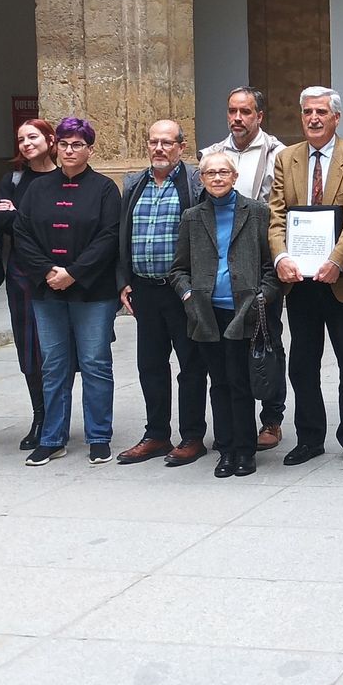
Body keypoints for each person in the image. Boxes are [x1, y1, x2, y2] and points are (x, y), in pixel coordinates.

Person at [268, 86, 343, 468]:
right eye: (307, 112)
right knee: (302, 363)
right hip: (300, 281)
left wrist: (336, 261)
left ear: (336, 117)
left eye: (321, 112)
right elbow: (277, 213)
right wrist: (281, 255)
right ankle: (310, 438)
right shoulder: (286, 158)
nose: (313, 119)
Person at [13, 117, 122, 467]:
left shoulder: (105, 189)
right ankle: (52, 437)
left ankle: (99, 436)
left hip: (92, 292)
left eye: (77, 144)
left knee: (94, 363)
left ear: (90, 149)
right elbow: (22, 233)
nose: (69, 150)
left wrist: (74, 273)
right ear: (55, 147)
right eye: (64, 144)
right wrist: (48, 272)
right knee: (54, 365)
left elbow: (108, 237)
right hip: (47, 292)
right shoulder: (38, 189)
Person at [170, 152, 281, 479]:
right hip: (206, 313)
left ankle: (245, 451)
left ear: (234, 177)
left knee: (241, 382)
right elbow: (178, 269)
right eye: (210, 174)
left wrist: (262, 296)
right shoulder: (192, 216)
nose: (217, 178)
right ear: (201, 179)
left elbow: (270, 268)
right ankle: (226, 448)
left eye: (223, 172)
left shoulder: (258, 212)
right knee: (218, 383)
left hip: (244, 312)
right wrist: (189, 295)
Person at [116, 120, 208, 467]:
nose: (159, 148)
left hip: (181, 292)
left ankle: (192, 436)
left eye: (167, 142)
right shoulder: (134, 184)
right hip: (144, 290)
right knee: (150, 365)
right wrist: (123, 280)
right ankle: (156, 434)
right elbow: (121, 234)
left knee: (191, 366)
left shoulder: (193, 184)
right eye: (153, 142)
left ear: (181, 147)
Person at [201, 86, 286, 446]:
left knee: (266, 340)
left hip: (260, 260)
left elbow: (282, 207)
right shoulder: (211, 155)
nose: (237, 118)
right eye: (233, 111)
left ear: (259, 116)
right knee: (227, 355)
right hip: (222, 266)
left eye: (246, 112)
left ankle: (271, 418)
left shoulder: (278, 154)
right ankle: (235, 426)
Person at [0, 119, 59, 449]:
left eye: (33, 136)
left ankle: (59, 415)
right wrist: (28, 217)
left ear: (50, 139)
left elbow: (66, 222)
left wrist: (20, 214)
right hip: (22, 276)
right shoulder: (13, 179)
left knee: (63, 350)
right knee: (29, 349)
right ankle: (40, 415)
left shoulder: (64, 176)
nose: (26, 143)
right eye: (20, 138)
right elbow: (2, 222)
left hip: (62, 275)